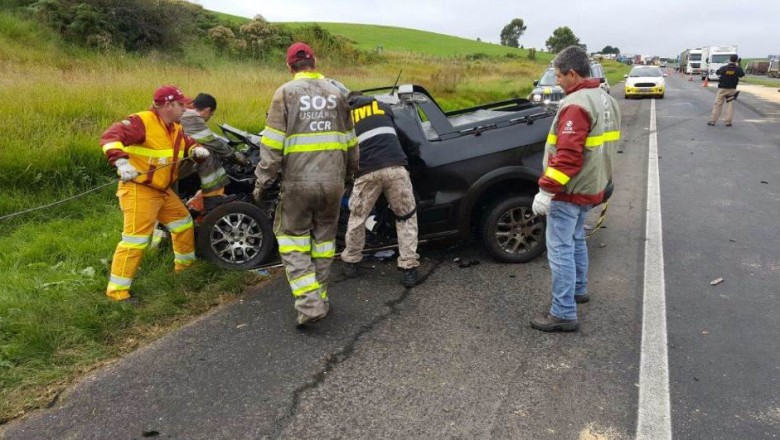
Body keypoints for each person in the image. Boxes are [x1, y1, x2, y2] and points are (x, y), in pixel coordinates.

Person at [253, 42, 358, 326]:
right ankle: (320, 297)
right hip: (333, 183)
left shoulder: (285, 94)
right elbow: (351, 143)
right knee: (323, 243)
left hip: (299, 184)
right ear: (315, 62)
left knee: (292, 240)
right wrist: (348, 177)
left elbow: (272, 145)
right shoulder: (337, 94)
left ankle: (310, 304)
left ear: (290, 67)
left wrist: (263, 183)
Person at [530, 46, 622, 332]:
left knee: (560, 250)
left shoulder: (576, 106)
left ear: (572, 73)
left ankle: (563, 312)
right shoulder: (605, 99)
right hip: (593, 187)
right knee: (576, 240)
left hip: (570, 191)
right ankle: (579, 290)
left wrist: (546, 191)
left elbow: (568, 157)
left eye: (558, 75)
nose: (556, 80)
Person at [100, 85, 212, 302]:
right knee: (135, 240)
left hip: (162, 191)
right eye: (180, 105)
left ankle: (185, 269)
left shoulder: (174, 128)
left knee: (183, 224)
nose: (185, 108)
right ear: (168, 105)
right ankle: (117, 293)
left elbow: (186, 144)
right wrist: (121, 162)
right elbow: (110, 137)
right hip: (139, 190)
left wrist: (195, 150)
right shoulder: (142, 121)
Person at [341, 91, 420, 287]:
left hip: (367, 172)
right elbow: (399, 135)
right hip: (396, 168)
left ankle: (351, 261)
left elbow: (343, 151)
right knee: (405, 217)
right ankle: (409, 268)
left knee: (357, 218)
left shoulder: (346, 117)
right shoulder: (383, 107)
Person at [179, 93, 246, 211]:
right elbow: (212, 142)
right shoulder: (192, 117)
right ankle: (212, 196)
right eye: (211, 114)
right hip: (172, 162)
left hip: (172, 156)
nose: (210, 117)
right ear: (207, 110)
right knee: (207, 153)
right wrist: (234, 156)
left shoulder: (185, 113)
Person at [707, 54, 745, 127]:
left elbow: (717, 72)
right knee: (730, 105)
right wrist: (739, 64)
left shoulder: (724, 68)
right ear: (736, 60)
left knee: (718, 104)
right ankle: (728, 122)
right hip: (732, 89)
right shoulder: (737, 69)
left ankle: (713, 121)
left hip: (722, 89)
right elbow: (742, 74)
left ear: (729, 59)